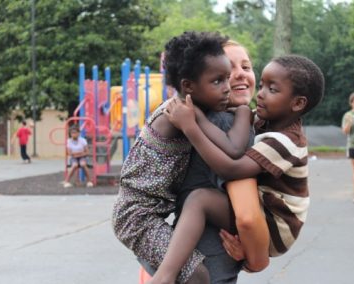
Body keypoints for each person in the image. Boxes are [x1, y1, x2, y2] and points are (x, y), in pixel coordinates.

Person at [150, 55, 325, 284]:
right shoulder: (262, 120)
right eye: (261, 85)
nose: (260, 93)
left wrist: (191, 126)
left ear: (298, 103)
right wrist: (200, 117)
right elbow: (228, 142)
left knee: (200, 200)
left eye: (272, 89)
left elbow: (232, 169)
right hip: (263, 210)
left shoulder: (286, 141)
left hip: (276, 226)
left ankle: (164, 277)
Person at [112, 31, 253, 284]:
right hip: (137, 217)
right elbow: (233, 148)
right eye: (218, 81)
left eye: (227, 79)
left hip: (145, 213)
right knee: (195, 276)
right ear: (188, 86)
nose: (227, 87)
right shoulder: (181, 113)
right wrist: (240, 111)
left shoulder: (191, 106)